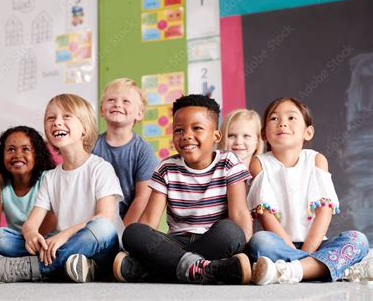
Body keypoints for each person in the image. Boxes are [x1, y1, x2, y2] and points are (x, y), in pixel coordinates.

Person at [113, 94, 253, 285]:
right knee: (133, 232)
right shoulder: (166, 168)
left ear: (216, 136)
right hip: (175, 242)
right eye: (179, 130)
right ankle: (210, 270)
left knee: (231, 232)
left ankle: (151, 270)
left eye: (197, 128)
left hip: (213, 240)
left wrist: (245, 246)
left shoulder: (229, 163)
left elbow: (239, 212)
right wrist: (139, 243)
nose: (186, 135)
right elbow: (149, 221)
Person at [0, 94, 124, 283]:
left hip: (99, 248)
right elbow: (31, 223)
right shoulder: (50, 177)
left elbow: (104, 217)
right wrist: (31, 235)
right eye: (51, 118)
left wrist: (64, 235)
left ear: (84, 128)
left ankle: (34, 268)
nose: (57, 122)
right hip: (63, 246)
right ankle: (68, 266)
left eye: (66, 116)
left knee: (101, 228)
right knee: (1, 237)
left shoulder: (101, 168)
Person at [247, 97, 370, 285]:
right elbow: (266, 215)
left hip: (317, 244)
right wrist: (303, 255)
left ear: (308, 132)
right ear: (264, 134)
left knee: (358, 240)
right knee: (260, 242)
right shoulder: (259, 163)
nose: (282, 123)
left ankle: (292, 270)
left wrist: (309, 250)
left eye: (291, 118)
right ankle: (325, 268)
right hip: (280, 246)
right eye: (274, 119)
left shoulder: (316, 160)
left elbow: (324, 211)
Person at [93, 78, 158, 225]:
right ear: (102, 109)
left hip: (129, 223)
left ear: (139, 114)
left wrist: (121, 235)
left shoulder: (143, 150)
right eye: (111, 100)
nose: (117, 104)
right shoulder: (91, 146)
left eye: (126, 101)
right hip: (96, 220)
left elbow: (142, 198)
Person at [0, 126, 56, 257]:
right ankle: (38, 261)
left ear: (37, 154)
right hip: (18, 242)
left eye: (25, 149)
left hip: (47, 238)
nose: (18, 155)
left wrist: (34, 239)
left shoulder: (47, 178)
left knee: (61, 241)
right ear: (2, 155)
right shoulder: (0, 185)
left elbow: (52, 219)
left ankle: (33, 260)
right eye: (11, 149)